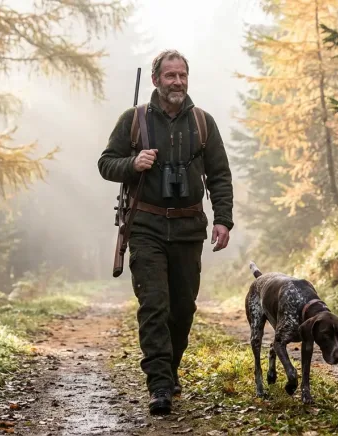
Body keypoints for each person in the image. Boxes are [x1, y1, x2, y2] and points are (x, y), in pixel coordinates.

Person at [97, 50, 234, 415]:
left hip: (190, 228)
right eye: (170, 75)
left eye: (182, 75)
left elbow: (220, 175)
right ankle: (159, 385)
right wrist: (133, 163)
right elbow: (106, 163)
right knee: (154, 306)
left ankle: (170, 370)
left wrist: (223, 219)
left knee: (182, 309)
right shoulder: (134, 119)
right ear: (156, 79)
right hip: (145, 226)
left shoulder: (204, 123)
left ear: (188, 79)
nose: (177, 82)